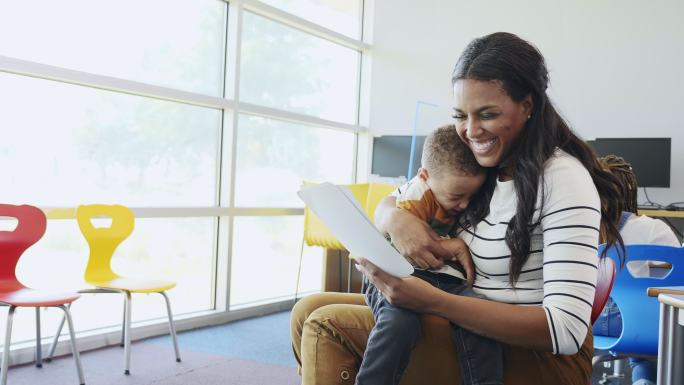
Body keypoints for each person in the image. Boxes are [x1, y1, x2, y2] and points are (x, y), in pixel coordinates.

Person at [291, 32, 625, 385]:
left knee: (326, 325)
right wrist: (396, 218)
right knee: (305, 310)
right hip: (466, 324)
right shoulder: (482, 165)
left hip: (532, 355)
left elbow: (565, 331)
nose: (470, 130)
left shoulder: (561, 178)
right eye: (460, 115)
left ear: (527, 106)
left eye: (487, 114)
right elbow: (400, 198)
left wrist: (434, 302)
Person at [357, 125, 502, 385]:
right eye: (456, 196)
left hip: (443, 278)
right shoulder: (415, 196)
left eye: (472, 195)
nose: (465, 205)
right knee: (399, 324)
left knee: (483, 321)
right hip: (395, 273)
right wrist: (450, 245)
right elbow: (409, 243)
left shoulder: (458, 192)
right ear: (424, 176)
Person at [593, 155, 680, 385]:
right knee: (647, 308)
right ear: (629, 192)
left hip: (594, 325)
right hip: (645, 327)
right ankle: (643, 373)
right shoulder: (654, 228)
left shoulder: (581, 227)